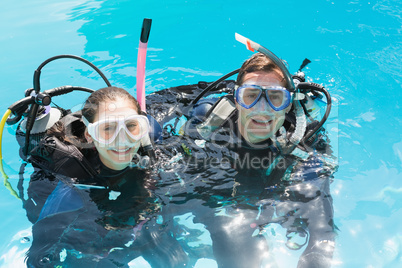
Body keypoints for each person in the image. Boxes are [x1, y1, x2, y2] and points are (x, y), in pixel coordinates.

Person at [157, 52, 337, 267]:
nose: (262, 108)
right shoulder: (209, 120)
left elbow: (322, 229)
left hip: (276, 180)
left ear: (289, 103)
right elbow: (162, 100)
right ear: (236, 99)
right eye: (250, 95)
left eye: (275, 97)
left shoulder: (303, 140)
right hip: (221, 186)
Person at [25, 87, 188, 267]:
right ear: (89, 135)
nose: (122, 139)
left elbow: (170, 99)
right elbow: (39, 256)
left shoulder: (151, 147)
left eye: (131, 126)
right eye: (108, 128)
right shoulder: (71, 189)